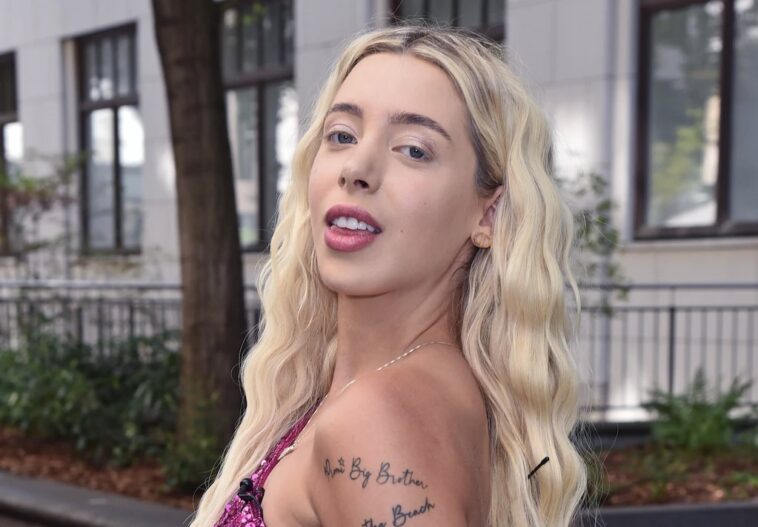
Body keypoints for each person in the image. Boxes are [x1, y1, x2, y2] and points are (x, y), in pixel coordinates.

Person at [190, 24, 591, 527]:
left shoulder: (377, 420)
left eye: (414, 149)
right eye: (342, 135)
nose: (357, 167)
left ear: (488, 214)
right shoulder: (414, 393)